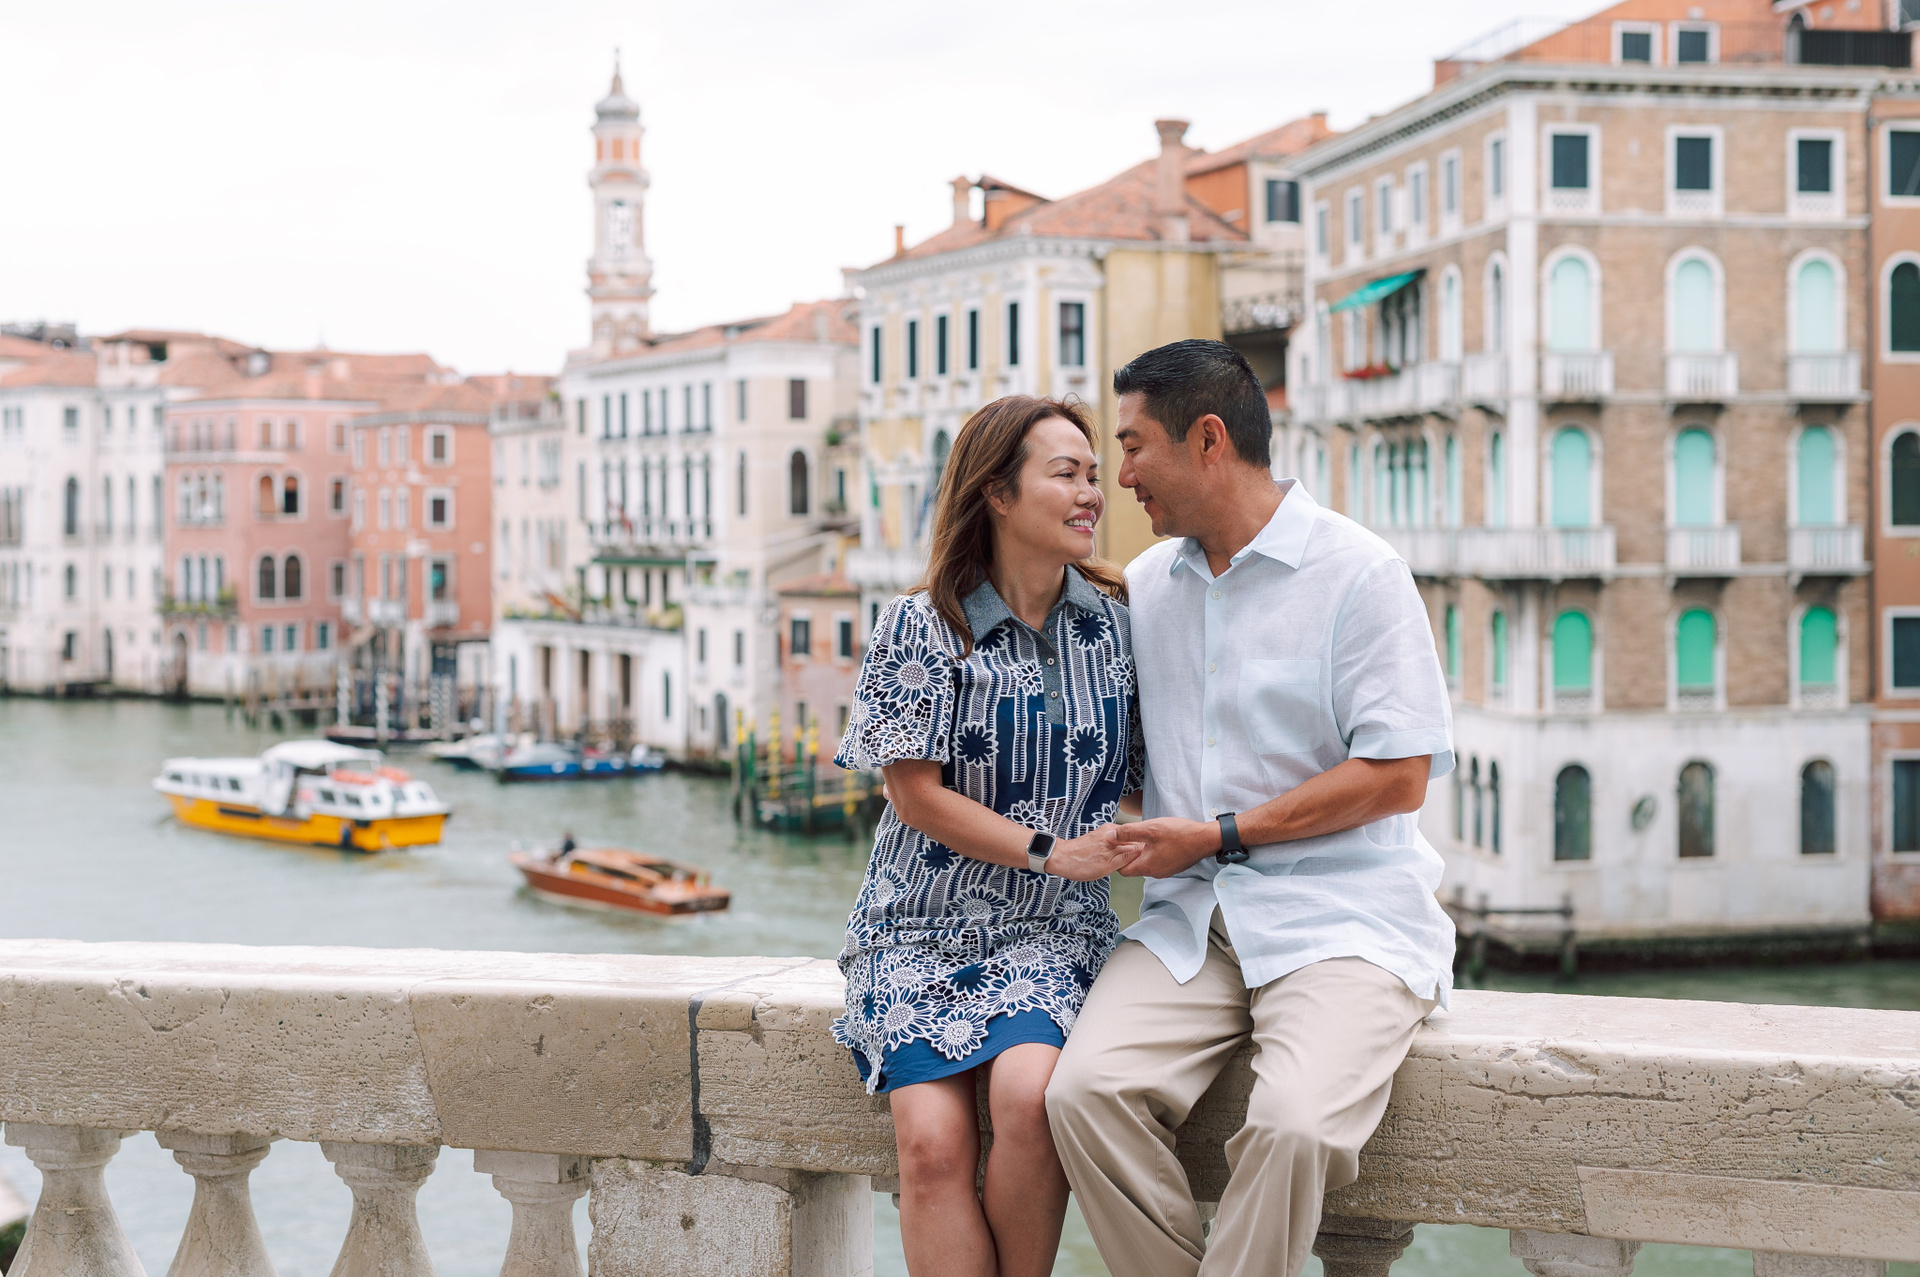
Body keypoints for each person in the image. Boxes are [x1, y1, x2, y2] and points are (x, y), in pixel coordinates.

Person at [1046, 339, 1456, 1277]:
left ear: (1208, 439)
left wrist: (1218, 832)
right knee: (1083, 1094)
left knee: (1295, 1126)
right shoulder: (1146, 587)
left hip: (1346, 921)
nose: (1121, 476)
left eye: (1133, 446)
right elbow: (1136, 756)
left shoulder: (1361, 572)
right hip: (1191, 922)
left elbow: (1399, 773)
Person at [833, 394, 1141, 1277]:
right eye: (1066, 473)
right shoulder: (921, 623)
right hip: (916, 923)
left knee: (1032, 1099)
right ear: (997, 494)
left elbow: (1146, 777)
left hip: (1054, 926)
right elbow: (913, 795)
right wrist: (1052, 850)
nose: (1091, 493)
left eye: (1093, 475)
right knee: (931, 1145)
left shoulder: (1118, 622)